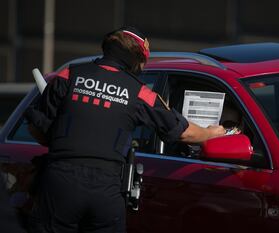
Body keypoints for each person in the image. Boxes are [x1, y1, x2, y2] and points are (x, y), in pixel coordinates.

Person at [25, 26, 225, 233]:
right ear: (136, 58)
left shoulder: (68, 75)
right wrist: (211, 133)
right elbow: (182, 131)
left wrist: (62, 140)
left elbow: (35, 128)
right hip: (106, 189)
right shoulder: (139, 92)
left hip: (60, 184)